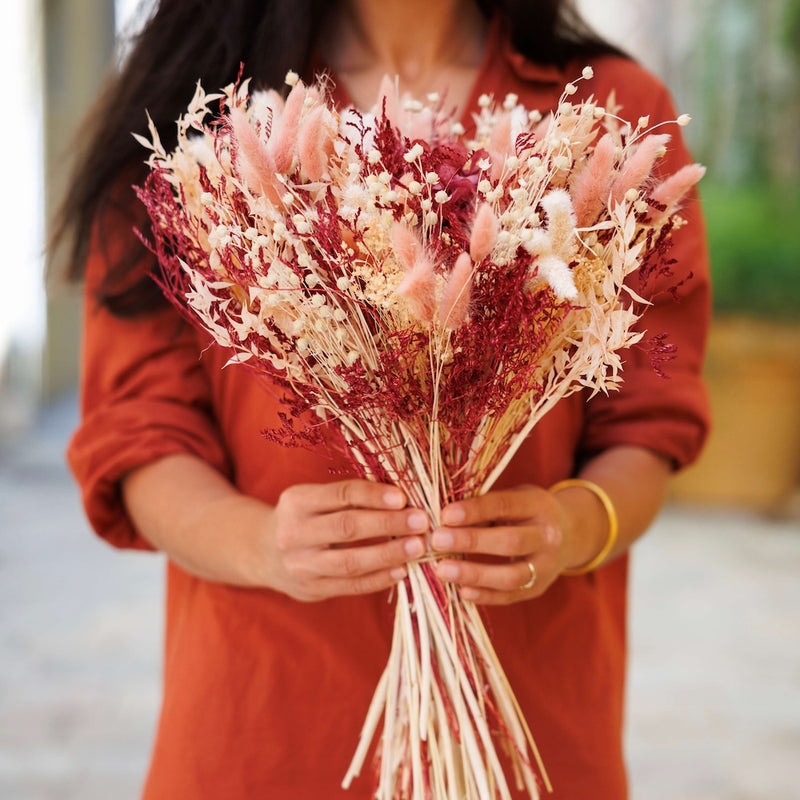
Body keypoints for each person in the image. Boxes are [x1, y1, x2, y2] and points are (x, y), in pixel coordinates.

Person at [57, 1, 710, 797]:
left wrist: (574, 525)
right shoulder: (192, 118)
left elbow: (649, 421)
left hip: (521, 730)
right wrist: (260, 545)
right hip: (264, 725)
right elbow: (138, 432)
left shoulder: (610, 111)